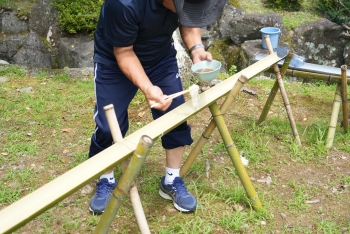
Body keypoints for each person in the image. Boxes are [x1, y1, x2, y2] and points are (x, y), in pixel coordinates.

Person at [88, 0, 227, 214]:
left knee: (176, 116)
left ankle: (171, 180)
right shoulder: (124, 4)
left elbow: (189, 19)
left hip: (160, 58)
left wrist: (196, 48)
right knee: (109, 126)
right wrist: (147, 87)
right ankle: (106, 179)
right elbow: (124, 52)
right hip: (114, 60)